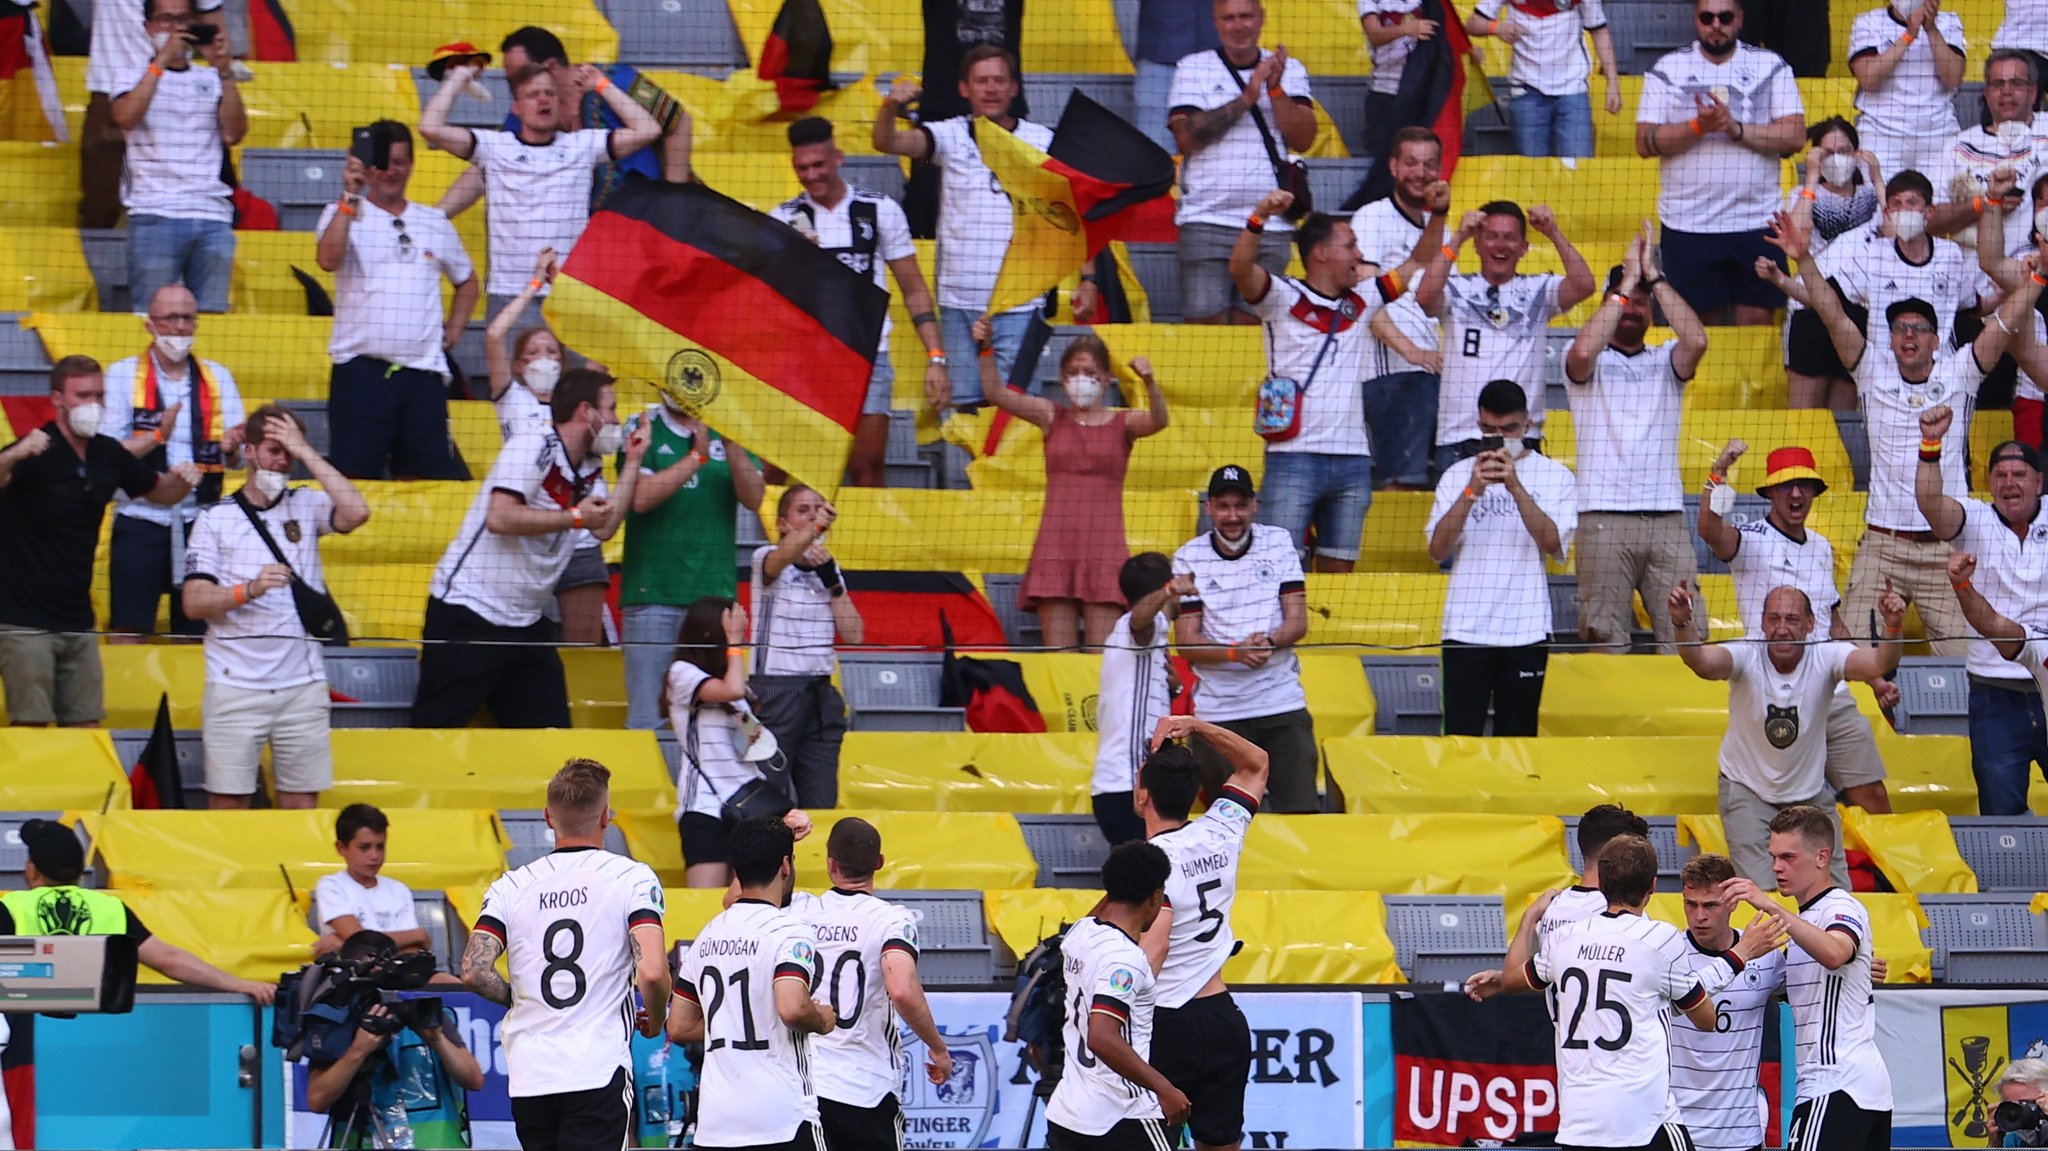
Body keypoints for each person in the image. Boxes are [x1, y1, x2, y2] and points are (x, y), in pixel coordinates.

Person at [1778, 214, 2044, 654]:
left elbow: (2003, 324)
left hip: (1948, 548)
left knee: (1970, 663)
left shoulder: (1961, 372)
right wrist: (1804, 258)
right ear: (1890, 337)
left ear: (1937, 340)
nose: (1908, 335)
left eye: (1919, 328)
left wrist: (2039, 275)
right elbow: (1829, 309)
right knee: (1851, 658)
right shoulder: (1870, 369)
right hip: (1885, 544)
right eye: (1900, 327)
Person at [1482, 834, 1771, 1151]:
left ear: (1601, 884)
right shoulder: (1658, 939)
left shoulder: (1565, 938)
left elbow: (1513, 980)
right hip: (1643, 1119)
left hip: (1579, 1123)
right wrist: (1737, 957)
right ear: (1653, 886)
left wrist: (1528, 921)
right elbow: (1705, 1018)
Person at [412, 370, 646, 728]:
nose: (616, 419)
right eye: (611, 409)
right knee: (435, 732)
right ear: (586, 411)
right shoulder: (533, 445)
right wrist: (574, 517)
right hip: (470, 614)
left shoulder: (589, 467)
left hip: (526, 625)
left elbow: (606, 527)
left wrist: (632, 463)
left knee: (551, 741)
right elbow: (500, 518)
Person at [462, 760, 669, 1151]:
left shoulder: (513, 885)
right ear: (606, 817)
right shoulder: (630, 877)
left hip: (531, 1072)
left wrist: (516, 996)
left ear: (547, 817)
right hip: (595, 1067)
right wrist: (656, 1019)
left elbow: (473, 972)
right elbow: (654, 972)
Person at [874, 46, 1099, 406]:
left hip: (1021, 307)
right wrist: (889, 107)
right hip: (958, 307)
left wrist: (1089, 279)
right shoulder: (948, 136)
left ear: (1014, 88)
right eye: (982, 81)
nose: (991, 88)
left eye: (999, 80)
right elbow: (887, 142)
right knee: (964, 418)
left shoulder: (1042, 143)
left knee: (1018, 421)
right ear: (965, 89)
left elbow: (1072, 217)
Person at [182, 406, 366, 809]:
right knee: (229, 806)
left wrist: (307, 451)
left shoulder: (307, 504)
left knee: (301, 805)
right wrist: (247, 590)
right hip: (234, 685)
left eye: (289, 451)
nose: (282, 460)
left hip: (302, 685)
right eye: (273, 449)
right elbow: (193, 602)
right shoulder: (215, 519)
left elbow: (357, 512)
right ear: (248, 451)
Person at [1699, 441, 1895, 816]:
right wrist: (1718, 472)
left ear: (1814, 493)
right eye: (1786, 485)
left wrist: (1875, 680)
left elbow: (1832, 621)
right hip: (1774, 693)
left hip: (1830, 688)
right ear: (1770, 492)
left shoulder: (1821, 547)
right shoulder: (1751, 541)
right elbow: (1708, 528)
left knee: (1874, 798)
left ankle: (1876, 876)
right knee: (1783, 809)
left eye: (1804, 485)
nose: (1795, 493)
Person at [0, 357, 194, 728]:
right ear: (58, 399)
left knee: (88, 725)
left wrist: (182, 481)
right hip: (21, 621)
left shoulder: (108, 454)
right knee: (32, 726)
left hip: (77, 620)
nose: (93, 404)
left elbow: (160, 493)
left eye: (99, 395)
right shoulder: (33, 449)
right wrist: (15, 453)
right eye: (82, 395)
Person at [1671, 581, 1903, 886]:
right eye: (1774, 619)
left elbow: (1880, 662)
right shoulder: (1744, 654)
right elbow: (1699, 661)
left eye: (1792, 620)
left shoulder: (1827, 656)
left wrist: (1893, 625)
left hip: (1808, 793)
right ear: (1763, 623)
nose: (1782, 628)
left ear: (1810, 623)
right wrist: (1682, 623)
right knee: (1762, 897)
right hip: (1747, 789)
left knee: (1834, 894)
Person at [772, 116, 946, 487]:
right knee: (779, 466)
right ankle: (781, 547)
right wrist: (796, 262)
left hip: (868, 355)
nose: (811, 175)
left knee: (867, 465)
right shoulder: (783, 220)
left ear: (838, 158)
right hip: (806, 357)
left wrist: (935, 358)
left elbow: (914, 288)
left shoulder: (879, 210)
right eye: (802, 168)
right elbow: (770, 304)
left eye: (818, 165)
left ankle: (865, 547)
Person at [420, 60, 661, 326]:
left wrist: (601, 85)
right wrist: (461, 75)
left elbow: (649, 130)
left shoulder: (582, 146)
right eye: (533, 95)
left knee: (573, 370)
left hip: (568, 296)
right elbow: (429, 127)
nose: (543, 100)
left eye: (550, 93)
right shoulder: (495, 147)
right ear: (517, 108)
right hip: (510, 294)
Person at [975, 322, 1169, 644]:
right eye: (1073, 371)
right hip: (1056, 546)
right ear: (1063, 379)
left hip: (1104, 548)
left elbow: (1160, 420)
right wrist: (985, 348)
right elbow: (996, 393)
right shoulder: (1051, 415)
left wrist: (1149, 382)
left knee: (1100, 659)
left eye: (1090, 371)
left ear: (1107, 379)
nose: (1081, 378)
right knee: (1058, 656)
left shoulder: (1124, 423)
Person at [1563, 222, 1709, 653]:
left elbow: (1698, 339)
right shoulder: (1587, 365)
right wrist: (1625, 283)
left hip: (1666, 519)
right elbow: (1584, 353)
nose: (1632, 310)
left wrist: (1653, 276)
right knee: (1605, 641)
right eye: (1625, 303)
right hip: (1602, 518)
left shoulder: (1667, 360)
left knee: (1688, 639)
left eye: (1641, 304)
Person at [1723, 806, 1895, 1151]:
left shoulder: (1838, 907)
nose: (1776, 867)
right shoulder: (1808, 921)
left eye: (1788, 857)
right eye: (1773, 857)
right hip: (1857, 1088)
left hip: (1836, 1083)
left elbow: (1834, 953)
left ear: (1822, 857)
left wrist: (1769, 906)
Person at [315, 120, 478, 482]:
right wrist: (350, 197)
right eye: (383, 162)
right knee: (355, 480)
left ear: (412, 164)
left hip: (423, 375)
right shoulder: (340, 212)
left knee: (427, 484)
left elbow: (467, 282)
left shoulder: (433, 221)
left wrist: (455, 329)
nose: (391, 171)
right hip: (361, 372)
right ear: (367, 164)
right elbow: (328, 260)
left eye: (400, 162)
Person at [1137, 716, 1268, 1151]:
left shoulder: (1144, 864)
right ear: (1196, 794)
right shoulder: (1220, 830)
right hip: (1220, 1016)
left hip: (1163, 1020)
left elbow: (1150, 950)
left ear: (1142, 796)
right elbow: (1255, 764)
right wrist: (1195, 725)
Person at [435, 25, 693, 243]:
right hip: (602, 239)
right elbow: (488, 167)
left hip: (657, 223)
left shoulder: (616, 79)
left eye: (518, 77)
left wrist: (673, 200)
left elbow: (678, 120)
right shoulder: (526, 111)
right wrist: (436, 217)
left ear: (551, 68)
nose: (515, 88)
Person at [1232, 194, 1380, 570]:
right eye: (1350, 246)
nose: (1358, 255)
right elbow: (1239, 269)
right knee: (1278, 571)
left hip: (1354, 461)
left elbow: (1415, 267)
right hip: (1292, 458)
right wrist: (1259, 216)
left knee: (1340, 577)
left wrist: (1445, 225)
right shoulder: (1280, 296)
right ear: (1321, 253)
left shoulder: (1363, 298)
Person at [1635, 0, 1806, 326]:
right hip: (1689, 224)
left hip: (1757, 221)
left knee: (1757, 324)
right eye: (1707, 17)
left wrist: (1734, 128)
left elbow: (1795, 136)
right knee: (1699, 329)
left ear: (1740, 18)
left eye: (1725, 16)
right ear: (1695, 20)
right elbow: (1644, 142)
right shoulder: (1667, 69)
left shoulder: (1770, 65)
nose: (1716, 24)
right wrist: (1698, 127)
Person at [669, 816, 834, 1151]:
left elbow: (679, 1027)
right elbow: (791, 1007)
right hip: (780, 1119)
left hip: (716, 1125)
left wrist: (730, 1022)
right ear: (785, 866)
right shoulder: (789, 930)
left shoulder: (707, 935)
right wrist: (821, 1020)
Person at [791, 818, 954, 1151]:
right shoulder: (890, 919)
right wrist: (937, 1047)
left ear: (830, 864)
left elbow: (737, 899)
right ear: (879, 862)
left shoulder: (799, 909)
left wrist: (783, 838)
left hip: (805, 1086)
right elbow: (903, 991)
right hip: (866, 1087)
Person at [1426, 380, 1578, 737]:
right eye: (1490, 430)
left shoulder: (1556, 477)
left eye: (1508, 430)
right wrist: (1471, 491)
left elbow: (1553, 544)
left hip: (1526, 628)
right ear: (1479, 426)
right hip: (1466, 629)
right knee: (1460, 741)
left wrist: (1515, 486)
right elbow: (1437, 550)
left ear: (1527, 426)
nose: (1500, 438)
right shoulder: (1457, 476)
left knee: (1519, 738)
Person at [1916, 414, 2048, 815]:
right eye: (2001, 474)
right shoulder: (1974, 519)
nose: (2010, 482)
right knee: (2000, 811)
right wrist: (1930, 447)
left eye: (2020, 474)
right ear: (1989, 483)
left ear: (2039, 482)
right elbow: (1930, 505)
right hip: (1995, 692)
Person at [102, 283, 247, 641]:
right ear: (149, 325)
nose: (180, 327)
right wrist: (156, 437)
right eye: (170, 319)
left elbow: (238, 461)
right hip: (141, 517)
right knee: (129, 628)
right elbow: (107, 454)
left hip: (201, 521)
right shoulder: (121, 375)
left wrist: (231, 449)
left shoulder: (219, 377)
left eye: (187, 318)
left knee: (197, 633)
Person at [0, 818, 275, 1002]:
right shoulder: (111, 908)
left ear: (32, 870)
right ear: (79, 873)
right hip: (99, 1032)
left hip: (24, 1035)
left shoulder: (10, 907)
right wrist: (239, 984)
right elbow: (170, 960)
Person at [1171, 465, 1317, 812]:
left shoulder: (1278, 542)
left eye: (1240, 505)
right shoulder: (1189, 556)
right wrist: (1236, 653)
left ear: (1255, 505)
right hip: (1219, 712)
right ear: (1209, 508)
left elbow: (1297, 620)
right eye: (1223, 506)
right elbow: (1186, 641)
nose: (1232, 515)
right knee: (1226, 826)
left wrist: (1267, 642)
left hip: (1281, 703)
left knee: (1301, 816)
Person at [481, 251, 606, 647]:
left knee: (582, 648)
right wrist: (535, 285)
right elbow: (492, 335)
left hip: (579, 538)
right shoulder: (512, 399)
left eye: (552, 352)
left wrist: (564, 291)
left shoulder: (581, 401)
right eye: (533, 353)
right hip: (527, 534)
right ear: (518, 366)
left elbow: (600, 346)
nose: (544, 359)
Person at [619, 399, 766, 732]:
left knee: (729, 714)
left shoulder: (732, 424)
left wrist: (730, 444)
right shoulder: (642, 424)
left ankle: (735, 783)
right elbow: (639, 499)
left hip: (714, 600)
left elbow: (755, 498)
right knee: (648, 718)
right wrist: (696, 456)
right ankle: (653, 785)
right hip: (652, 594)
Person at [1417, 200, 1595, 470]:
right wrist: (1459, 236)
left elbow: (1584, 285)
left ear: (1523, 248)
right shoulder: (1456, 288)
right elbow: (1424, 296)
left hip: (1520, 440)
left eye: (1510, 238)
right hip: (1461, 439)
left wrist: (1553, 232)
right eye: (1491, 237)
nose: (1500, 245)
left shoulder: (1540, 290)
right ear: (1477, 244)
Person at [1169, 0, 1316, 326]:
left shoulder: (1290, 69)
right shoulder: (1193, 68)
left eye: (1246, 16)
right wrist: (1249, 95)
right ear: (1216, 22)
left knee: (1256, 334)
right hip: (1206, 219)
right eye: (1230, 18)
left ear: (1261, 18)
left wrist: (1275, 90)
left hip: (1271, 225)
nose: (1239, 25)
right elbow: (1186, 137)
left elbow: (1303, 138)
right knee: (1206, 335)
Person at [1045, 840, 1190, 1151]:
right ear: (1156, 896)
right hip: (1121, 1116)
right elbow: (1102, 1036)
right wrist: (1165, 1089)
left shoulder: (1080, 933)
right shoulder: (1124, 959)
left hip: (1069, 1114)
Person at [108, 0, 244, 314]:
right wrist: (161, 62)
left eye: (184, 19)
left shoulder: (211, 79)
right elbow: (125, 117)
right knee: (152, 316)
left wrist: (224, 71)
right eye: (166, 19)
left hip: (212, 215)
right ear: (149, 27)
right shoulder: (130, 75)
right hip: (155, 212)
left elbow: (234, 133)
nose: (176, 28)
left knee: (212, 319)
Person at [303, 930, 486, 1149]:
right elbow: (317, 1099)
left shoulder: (426, 1013)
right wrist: (358, 1051)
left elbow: (474, 1080)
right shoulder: (338, 1021)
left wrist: (436, 1039)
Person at [1461, 802, 1654, 1002]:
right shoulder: (1623, 910)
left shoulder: (1552, 908)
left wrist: (1529, 917)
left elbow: (1543, 977)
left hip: (1567, 1031)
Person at [1667, 853, 1791, 1151]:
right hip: (1677, 1129)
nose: (1699, 916)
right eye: (1690, 904)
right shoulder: (1669, 953)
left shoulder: (1768, 958)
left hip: (1740, 1133)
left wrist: (1860, 970)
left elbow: (1813, 991)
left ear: (1733, 903)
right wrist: (1741, 954)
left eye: (1710, 905)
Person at [750, 487, 864, 809]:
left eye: (817, 508)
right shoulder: (766, 559)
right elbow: (780, 558)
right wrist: (815, 529)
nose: (813, 515)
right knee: (765, 794)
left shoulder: (830, 568)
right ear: (782, 523)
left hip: (821, 692)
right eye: (803, 510)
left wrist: (833, 582)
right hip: (775, 689)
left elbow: (854, 635)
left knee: (821, 798)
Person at [1353, 128, 1452, 492]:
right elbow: (1364, 301)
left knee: (1442, 483)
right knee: (1402, 483)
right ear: (1393, 167)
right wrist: (1414, 353)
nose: (1420, 173)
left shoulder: (1440, 225)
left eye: (1429, 164)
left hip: (1431, 375)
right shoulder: (1371, 219)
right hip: (1393, 375)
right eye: (1410, 162)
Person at [1760, 118, 1881, 411]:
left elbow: (1893, 232)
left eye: (1846, 150)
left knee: (1842, 417)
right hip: (1809, 312)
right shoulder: (1801, 197)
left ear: (1858, 154)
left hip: (1858, 314)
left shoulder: (1874, 198)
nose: (1838, 159)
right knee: (1806, 417)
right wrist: (1811, 178)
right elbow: (1796, 239)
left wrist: (1877, 177)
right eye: (1827, 153)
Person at [668, 597, 783, 888]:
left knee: (749, 901)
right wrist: (735, 644)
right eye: (730, 629)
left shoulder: (737, 685)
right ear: (708, 634)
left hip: (748, 806)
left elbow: (751, 747)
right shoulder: (681, 674)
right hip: (706, 807)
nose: (739, 637)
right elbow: (729, 690)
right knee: (705, 902)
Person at [80, 0, 222, 229]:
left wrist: (221, 68)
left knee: (201, 193)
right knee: (100, 202)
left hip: (181, 88)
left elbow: (213, 22)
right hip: (111, 87)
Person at [1093, 555, 1193, 844]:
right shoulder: (1139, 626)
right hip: (1130, 789)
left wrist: (1172, 689)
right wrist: (1172, 590)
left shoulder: (1130, 640)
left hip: (1127, 789)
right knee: (1146, 882)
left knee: (1143, 883)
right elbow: (1141, 618)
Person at [1465, 0, 1619, 158]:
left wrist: (1613, 84)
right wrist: (1497, 28)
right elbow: (1472, 23)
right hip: (1526, 91)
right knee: (1531, 175)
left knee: (1578, 171)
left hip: (1573, 90)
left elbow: (1600, 31)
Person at [1848, 0, 1966, 181]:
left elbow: (1953, 78)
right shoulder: (1868, 22)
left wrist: (1931, 30)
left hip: (1937, 135)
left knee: (1939, 205)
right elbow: (1868, 79)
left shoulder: (1949, 22)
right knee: (1880, 205)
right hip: (1881, 136)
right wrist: (1909, 35)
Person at [312, 805, 431, 961]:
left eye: (380, 846)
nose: (375, 856)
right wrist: (417, 934)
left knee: (455, 985)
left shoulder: (398, 889)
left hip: (398, 974)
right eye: (364, 847)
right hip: (353, 979)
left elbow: (413, 949)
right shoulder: (331, 885)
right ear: (341, 848)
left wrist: (343, 943)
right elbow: (361, 943)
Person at [1356, 4, 1441, 189]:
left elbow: (1449, 30)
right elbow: (1374, 34)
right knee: (1385, 158)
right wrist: (1407, 29)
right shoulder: (1373, 2)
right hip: (1384, 93)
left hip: (1421, 94)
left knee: (1421, 158)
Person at [1132, 0, 1221, 153]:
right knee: (1155, 156)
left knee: (1219, 154)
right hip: (1158, 64)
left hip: (1218, 64)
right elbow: (1126, 8)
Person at [1993, 1060, 2048, 1147]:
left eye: (2025, 1104)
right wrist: (1994, 1144)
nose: (2016, 1112)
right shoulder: (2013, 1139)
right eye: (2011, 1106)